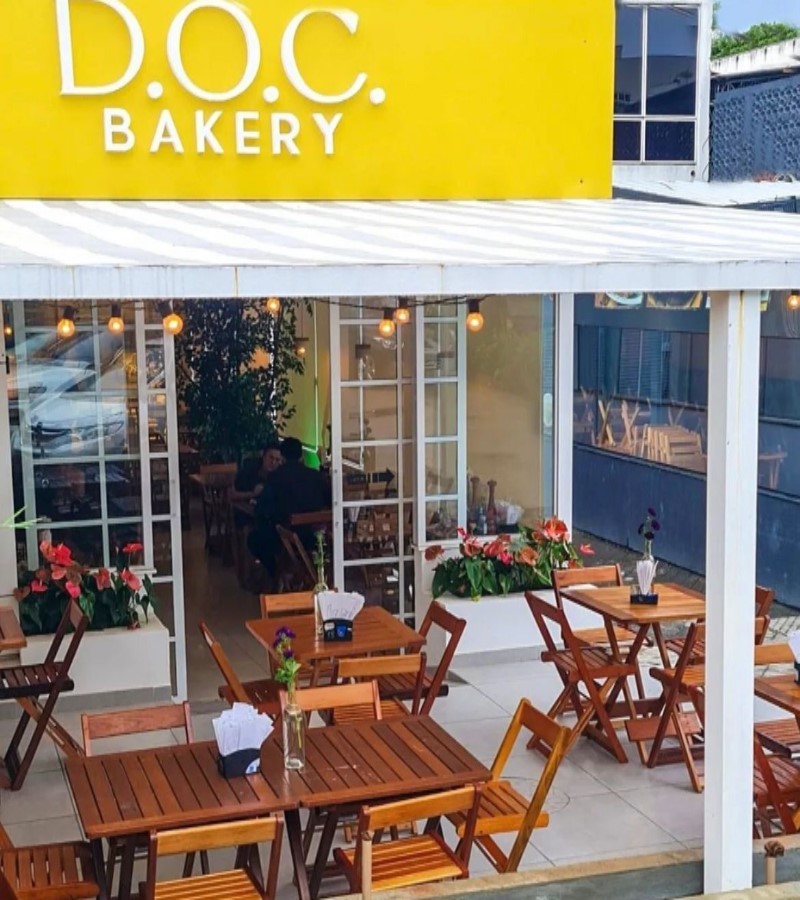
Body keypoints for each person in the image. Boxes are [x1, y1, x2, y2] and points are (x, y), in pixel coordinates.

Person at [248, 437, 331, 574]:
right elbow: (330, 502)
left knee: (254, 539)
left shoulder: (275, 477)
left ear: (282, 456)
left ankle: (276, 575)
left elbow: (262, 508)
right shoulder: (316, 476)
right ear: (301, 456)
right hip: (316, 538)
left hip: (284, 539)